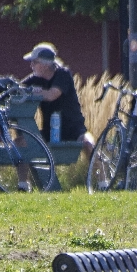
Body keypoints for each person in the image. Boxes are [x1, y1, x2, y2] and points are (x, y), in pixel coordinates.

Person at [20, 42, 95, 190]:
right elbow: (18, 87)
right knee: (20, 142)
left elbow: (52, 95)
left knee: (89, 144)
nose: (31, 66)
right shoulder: (35, 79)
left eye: (34, 62)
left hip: (73, 129)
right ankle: (23, 184)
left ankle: (102, 182)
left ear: (45, 64)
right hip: (50, 130)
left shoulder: (63, 74)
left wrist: (32, 92)